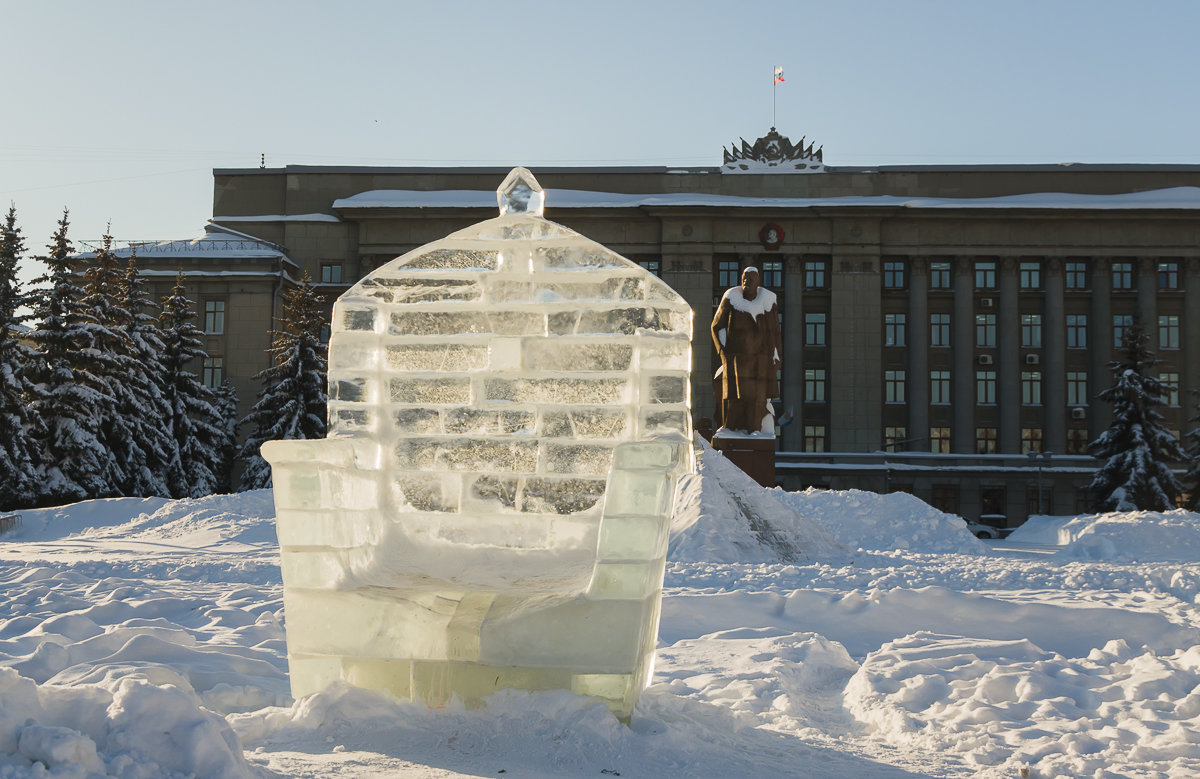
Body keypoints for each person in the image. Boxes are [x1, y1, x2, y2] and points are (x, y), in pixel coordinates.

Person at [710, 267, 783, 434]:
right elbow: (716, 326)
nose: (745, 282)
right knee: (735, 399)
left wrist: (778, 356)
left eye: (750, 279)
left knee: (758, 399)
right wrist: (723, 352)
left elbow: (775, 332)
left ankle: (754, 430)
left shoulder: (768, 301)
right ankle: (731, 430)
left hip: (761, 359)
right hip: (737, 359)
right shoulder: (731, 298)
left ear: (757, 282)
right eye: (743, 278)